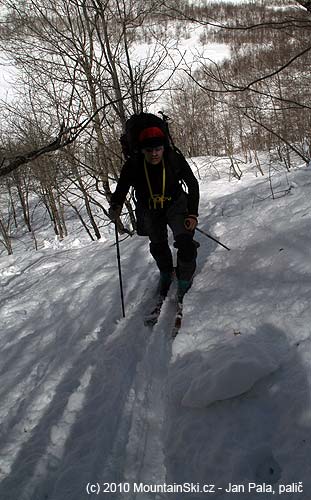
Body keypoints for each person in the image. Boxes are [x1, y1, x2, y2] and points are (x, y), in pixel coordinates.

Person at [109, 125, 200, 301]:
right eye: (149, 150)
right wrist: (116, 205)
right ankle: (166, 273)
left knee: (186, 243)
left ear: (163, 148)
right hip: (149, 208)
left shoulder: (173, 158)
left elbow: (192, 184)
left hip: (176, 204)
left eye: (158, 149)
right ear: (142, 150)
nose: (154, 154)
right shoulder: (133, 164)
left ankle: (184, 279)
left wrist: (193, 214)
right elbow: (121, 188)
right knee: (158, 245)